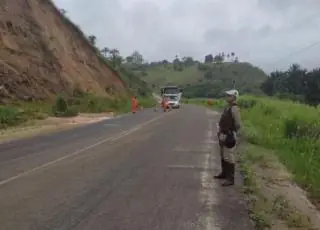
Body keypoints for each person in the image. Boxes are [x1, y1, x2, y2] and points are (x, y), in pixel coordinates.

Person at [214, 89, 241, 186]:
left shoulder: (234, 108)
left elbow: (238, 123)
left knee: (229, 155)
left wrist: (234, 133)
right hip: (223, 133)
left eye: (229, 95)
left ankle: (231, 178)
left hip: (229, 134)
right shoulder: (228, 107)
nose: (227, 97)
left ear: (234, 97)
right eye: (227, 95)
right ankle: (224, 173)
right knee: (223, 154)